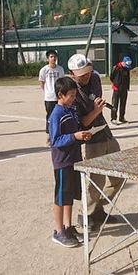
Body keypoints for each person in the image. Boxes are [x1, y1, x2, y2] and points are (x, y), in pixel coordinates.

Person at [67, 54, 123, 231]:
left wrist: (97, 108)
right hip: (91, 138)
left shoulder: (96, 78)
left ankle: (97, 208)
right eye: (81, 75)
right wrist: (96, 110)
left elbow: (95, 101)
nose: (86, 77)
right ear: (72, 73)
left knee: (119, 174)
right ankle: (85, 213)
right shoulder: (70, 90)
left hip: (105, 131)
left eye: (88, 72)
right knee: (96, 178)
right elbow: (82, 122)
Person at [49, 77, 91, 247]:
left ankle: (68, 227)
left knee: (70, 196)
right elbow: (55, 140)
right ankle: (58, 231)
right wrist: (74, 136)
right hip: (62, 162)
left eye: (75, 95)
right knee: (60, 197)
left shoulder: (71, 110)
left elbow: (74, 133)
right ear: (60, 95)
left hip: (74, 159)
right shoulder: (56, 114)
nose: (74, 98)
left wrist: (83, 136)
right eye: (71, 95)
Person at [38, 49, 64, 140]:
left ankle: (59, 130)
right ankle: (49, 133)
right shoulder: (44, 70)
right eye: (51, 57)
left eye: (54, 57)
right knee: (50, 115)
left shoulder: (60, 69)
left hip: (59, 97)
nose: (53, 58)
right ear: (48, 59)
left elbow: (62, 82)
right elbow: (41, 81)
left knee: (60, 114)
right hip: (49, 97)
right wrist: (46, 91)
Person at [109, 55, 132, 125]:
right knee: (114, 104)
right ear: (123, 62)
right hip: (116, 89)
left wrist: (127, 87)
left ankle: (121, 117)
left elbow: (128, 78)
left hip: (124, 89)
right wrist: (115, 84)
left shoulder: (126, 69)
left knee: (123, 104)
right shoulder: (116, 68)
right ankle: (113, 118)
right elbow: (111, 77)